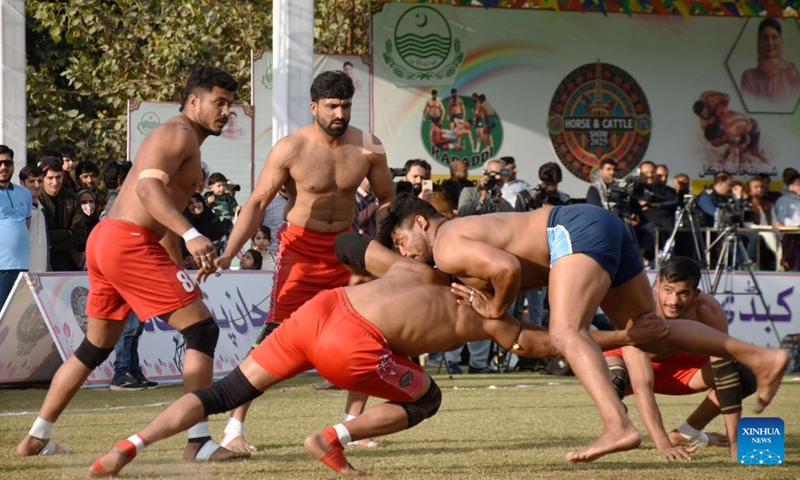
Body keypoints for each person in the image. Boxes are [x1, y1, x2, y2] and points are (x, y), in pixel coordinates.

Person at [89, 234, 667, 477]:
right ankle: (332, 439)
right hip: (352, 342)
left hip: (320, 310)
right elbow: (549, 343)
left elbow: (349, 244)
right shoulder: (492, 316)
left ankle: (127, 447)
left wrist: (371, 237)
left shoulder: (419, 266)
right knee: (427, 396)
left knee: (224, 393)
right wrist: (621, 338)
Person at [378, 195, 789, 462]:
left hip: (571, 229)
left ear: (420, 221)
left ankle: (618, 426)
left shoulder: (447, 243)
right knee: (651, 331)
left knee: (566, 331)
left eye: (401, 241)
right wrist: (495, 312)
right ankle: (760, 354)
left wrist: (494, 307)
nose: (404, 252)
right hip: (599, 226)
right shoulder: (459, 257)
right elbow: (518, 329)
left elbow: (508, 268)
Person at [16, 66, 248, 463]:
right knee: (202, 331)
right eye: (219, 102)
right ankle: (198, 441)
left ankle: (37, 435)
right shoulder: (178, 133)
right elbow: (147, 188)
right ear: (194, 101)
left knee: (95, 346)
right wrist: (193, 234)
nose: (227, 111)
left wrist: (180, 265)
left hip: (112, 241)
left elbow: (161, 219)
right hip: (127, 241)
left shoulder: (186, 140)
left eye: (231, 104)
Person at [204, 70, 396, 452]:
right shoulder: (291, 148)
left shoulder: (369, 147)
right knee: (273, 337)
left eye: (345, 106)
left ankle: (353, 423)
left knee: (367, 332)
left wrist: (379, 241)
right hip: (300, 251)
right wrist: (228, 252)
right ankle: (234, 429)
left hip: (346, 250)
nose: (340, 113)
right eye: (332, 106)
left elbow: (388, 198)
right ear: (314, 107)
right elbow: (257, 203)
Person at [604, 257, 756, 460]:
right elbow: (642, 387)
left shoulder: (708, 311)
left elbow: (724, 372)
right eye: (668, 290)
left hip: (679, 367)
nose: (674, 301)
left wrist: (735, 443)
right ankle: (618, 425)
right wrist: (664, 447)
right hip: (631, 366)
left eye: (683, 293)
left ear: (696, 294)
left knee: (744, 374)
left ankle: (687, 433)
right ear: (657, 285)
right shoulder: (640, 313)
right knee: (614, 379)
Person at [37, 157, 87, 272]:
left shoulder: (72, 198)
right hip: (39, 260)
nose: (55, 182)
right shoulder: (35, 199)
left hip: (66, 259)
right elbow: (39, 235)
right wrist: (66, 233)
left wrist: (56, 247)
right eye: (50, 178)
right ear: (42, 178)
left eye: (58, 177)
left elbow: (80, 233)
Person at [0, 145, 32, 309]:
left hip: (22, 265)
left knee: (16, 316)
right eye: (0, 163)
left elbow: (26, 223)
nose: (3, 167)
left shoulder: (24, 193)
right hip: (1, 266)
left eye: (7, 163)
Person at [741, 18, 800, 103]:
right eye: (765, 38)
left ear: (781, 40)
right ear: (759, 41)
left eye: (774, 37)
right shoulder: (749, 77)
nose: (770, 43)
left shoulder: (792, 75)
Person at [19, 165, 49, 272]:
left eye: (40, 181)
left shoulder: (43, 209)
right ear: (22, 183)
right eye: (31, 181)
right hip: (22, 273)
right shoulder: (18, 210)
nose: (36, 185)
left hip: (42, 275)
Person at [774, 170, 800, 271]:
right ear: (790, 187)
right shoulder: (784, 200)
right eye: (798, 185)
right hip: (792, 234)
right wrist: (797, 225)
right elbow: (781, 219)